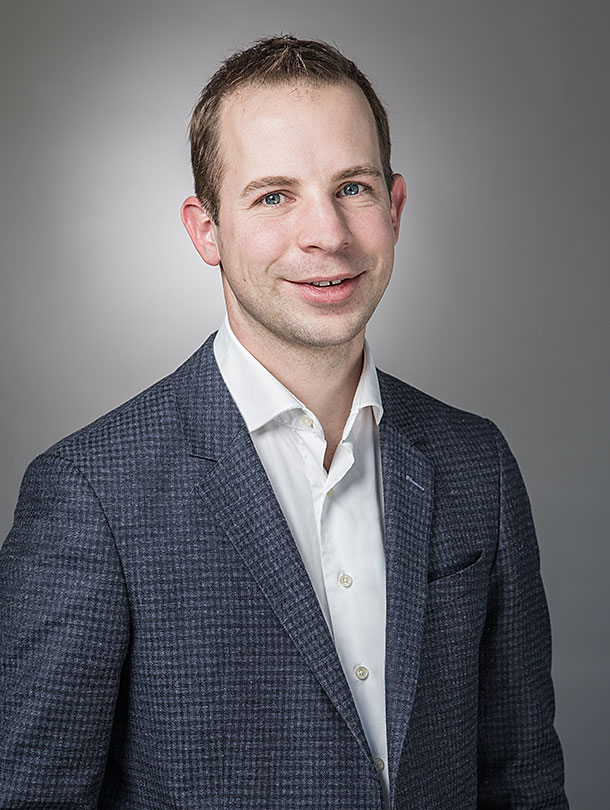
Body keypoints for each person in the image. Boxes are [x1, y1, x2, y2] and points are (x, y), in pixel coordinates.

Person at [0, 35, 569, 809]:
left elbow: (522, 779)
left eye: (353, 187)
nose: (327, 234)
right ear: (206, 230)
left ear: (395, 207)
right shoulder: (92, 493)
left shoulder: (478, 462)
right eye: (274, 196)